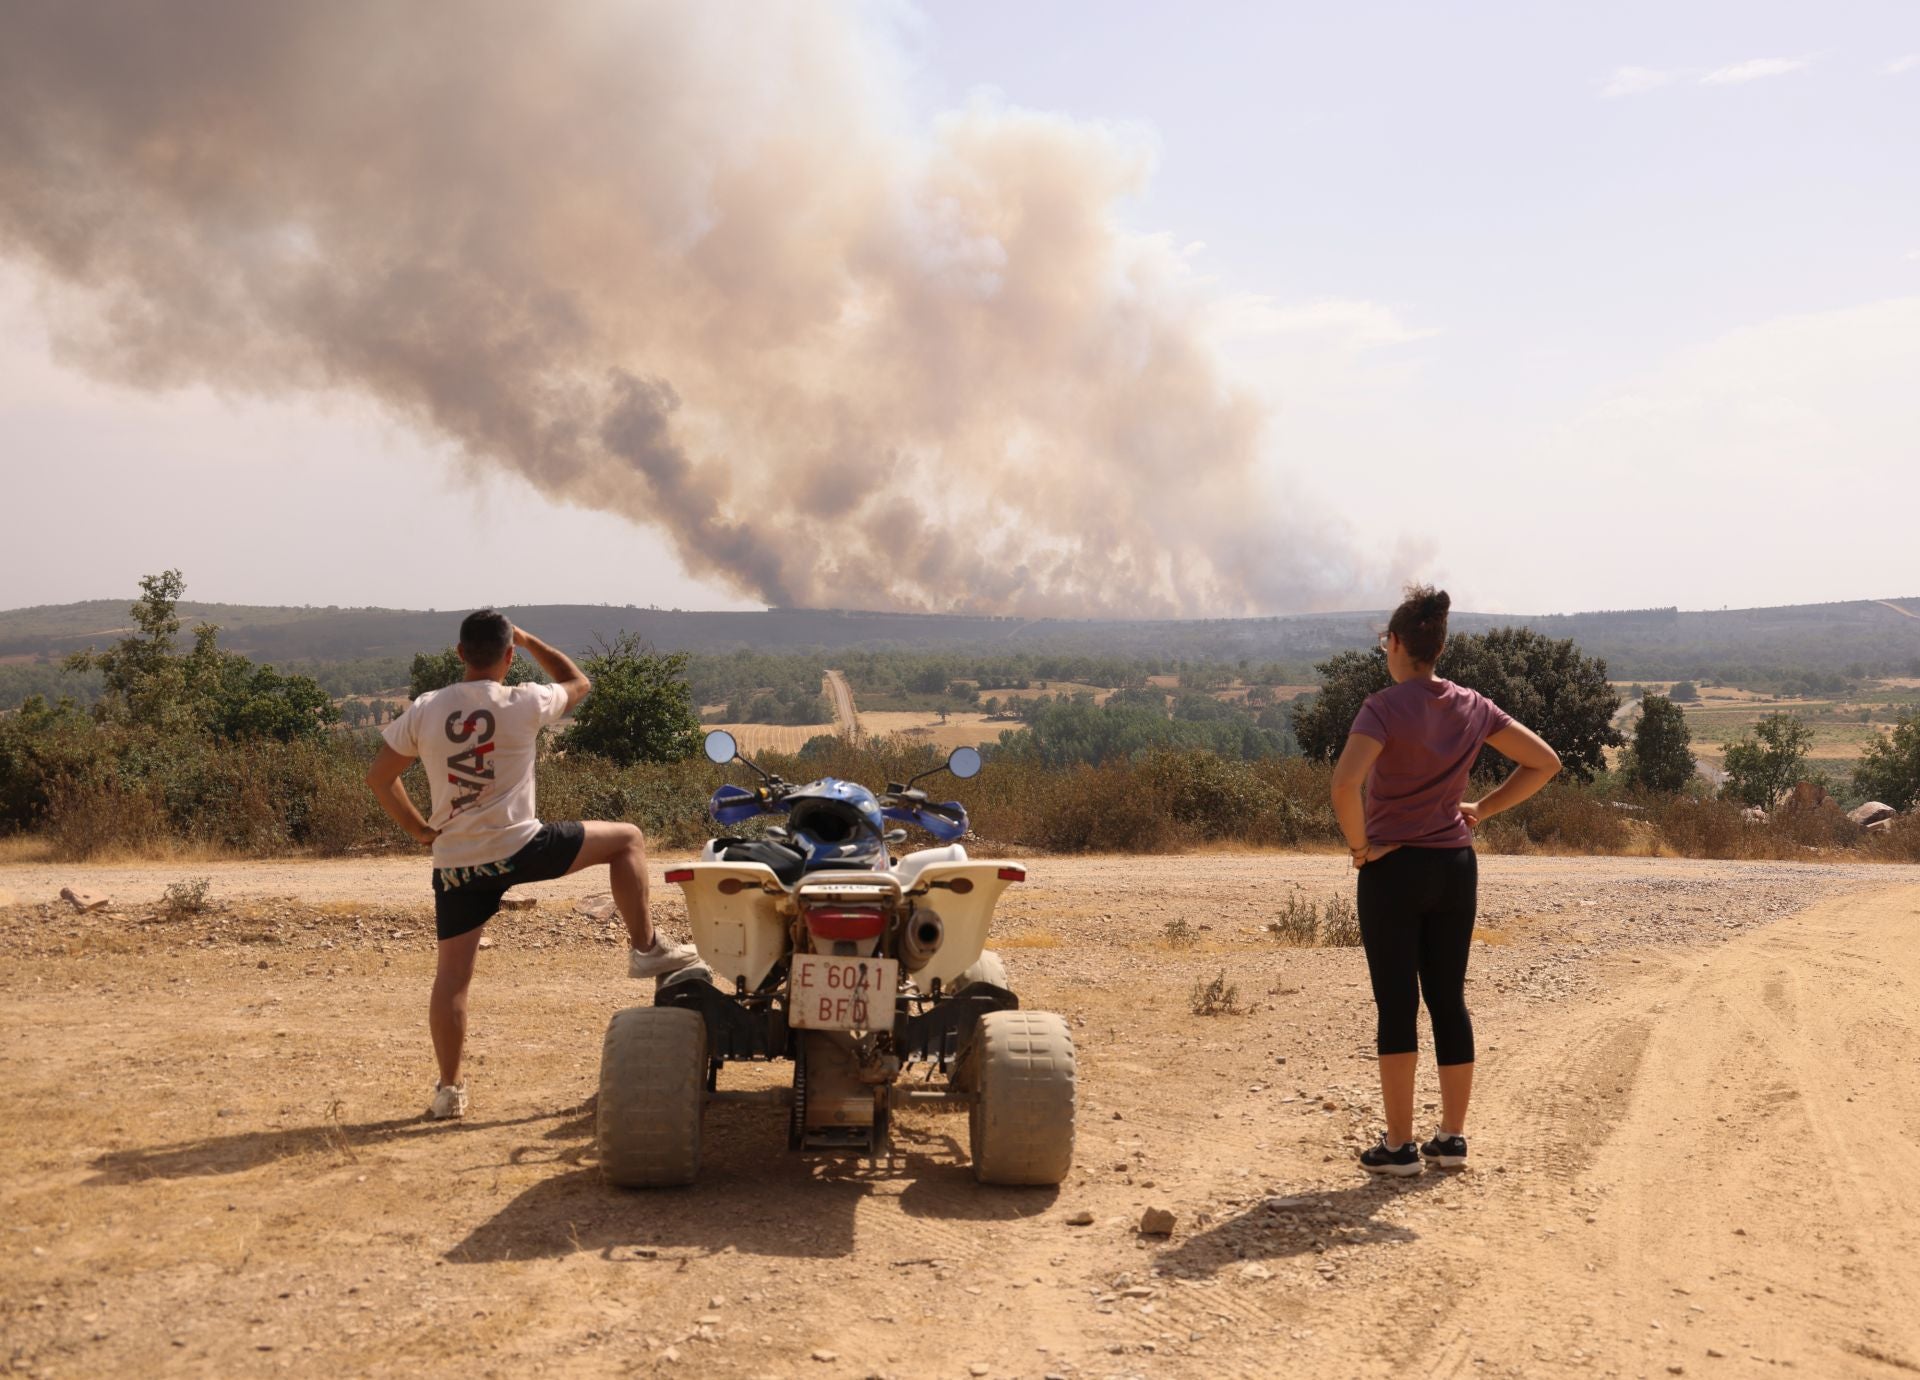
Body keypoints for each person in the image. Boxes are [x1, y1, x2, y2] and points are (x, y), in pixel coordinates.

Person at [365, 610, 696, 1120]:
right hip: (522, 848)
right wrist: (530, 638)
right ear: (509, 655)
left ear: (459, 653)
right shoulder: (524, 699)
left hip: (458, 863)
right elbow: (577, 681)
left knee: (452, 980)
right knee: (627, 839)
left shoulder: (426, 709)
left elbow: (380, 778)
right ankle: (646, 949)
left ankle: (449, 1091)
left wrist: (418, 830)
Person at [1329, 586, 1561, 1175]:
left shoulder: (1381, 707)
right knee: (1448, 998)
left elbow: (1343, 785)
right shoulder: (1473, 705)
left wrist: (1361, 849)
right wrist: (1481, 807)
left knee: (1396, 1003)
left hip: (1393, 868)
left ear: (1396, 643)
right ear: (1438, 647)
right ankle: (1452, 1138)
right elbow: (1545, 762)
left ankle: (1400, 1146)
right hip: (1456, 868)